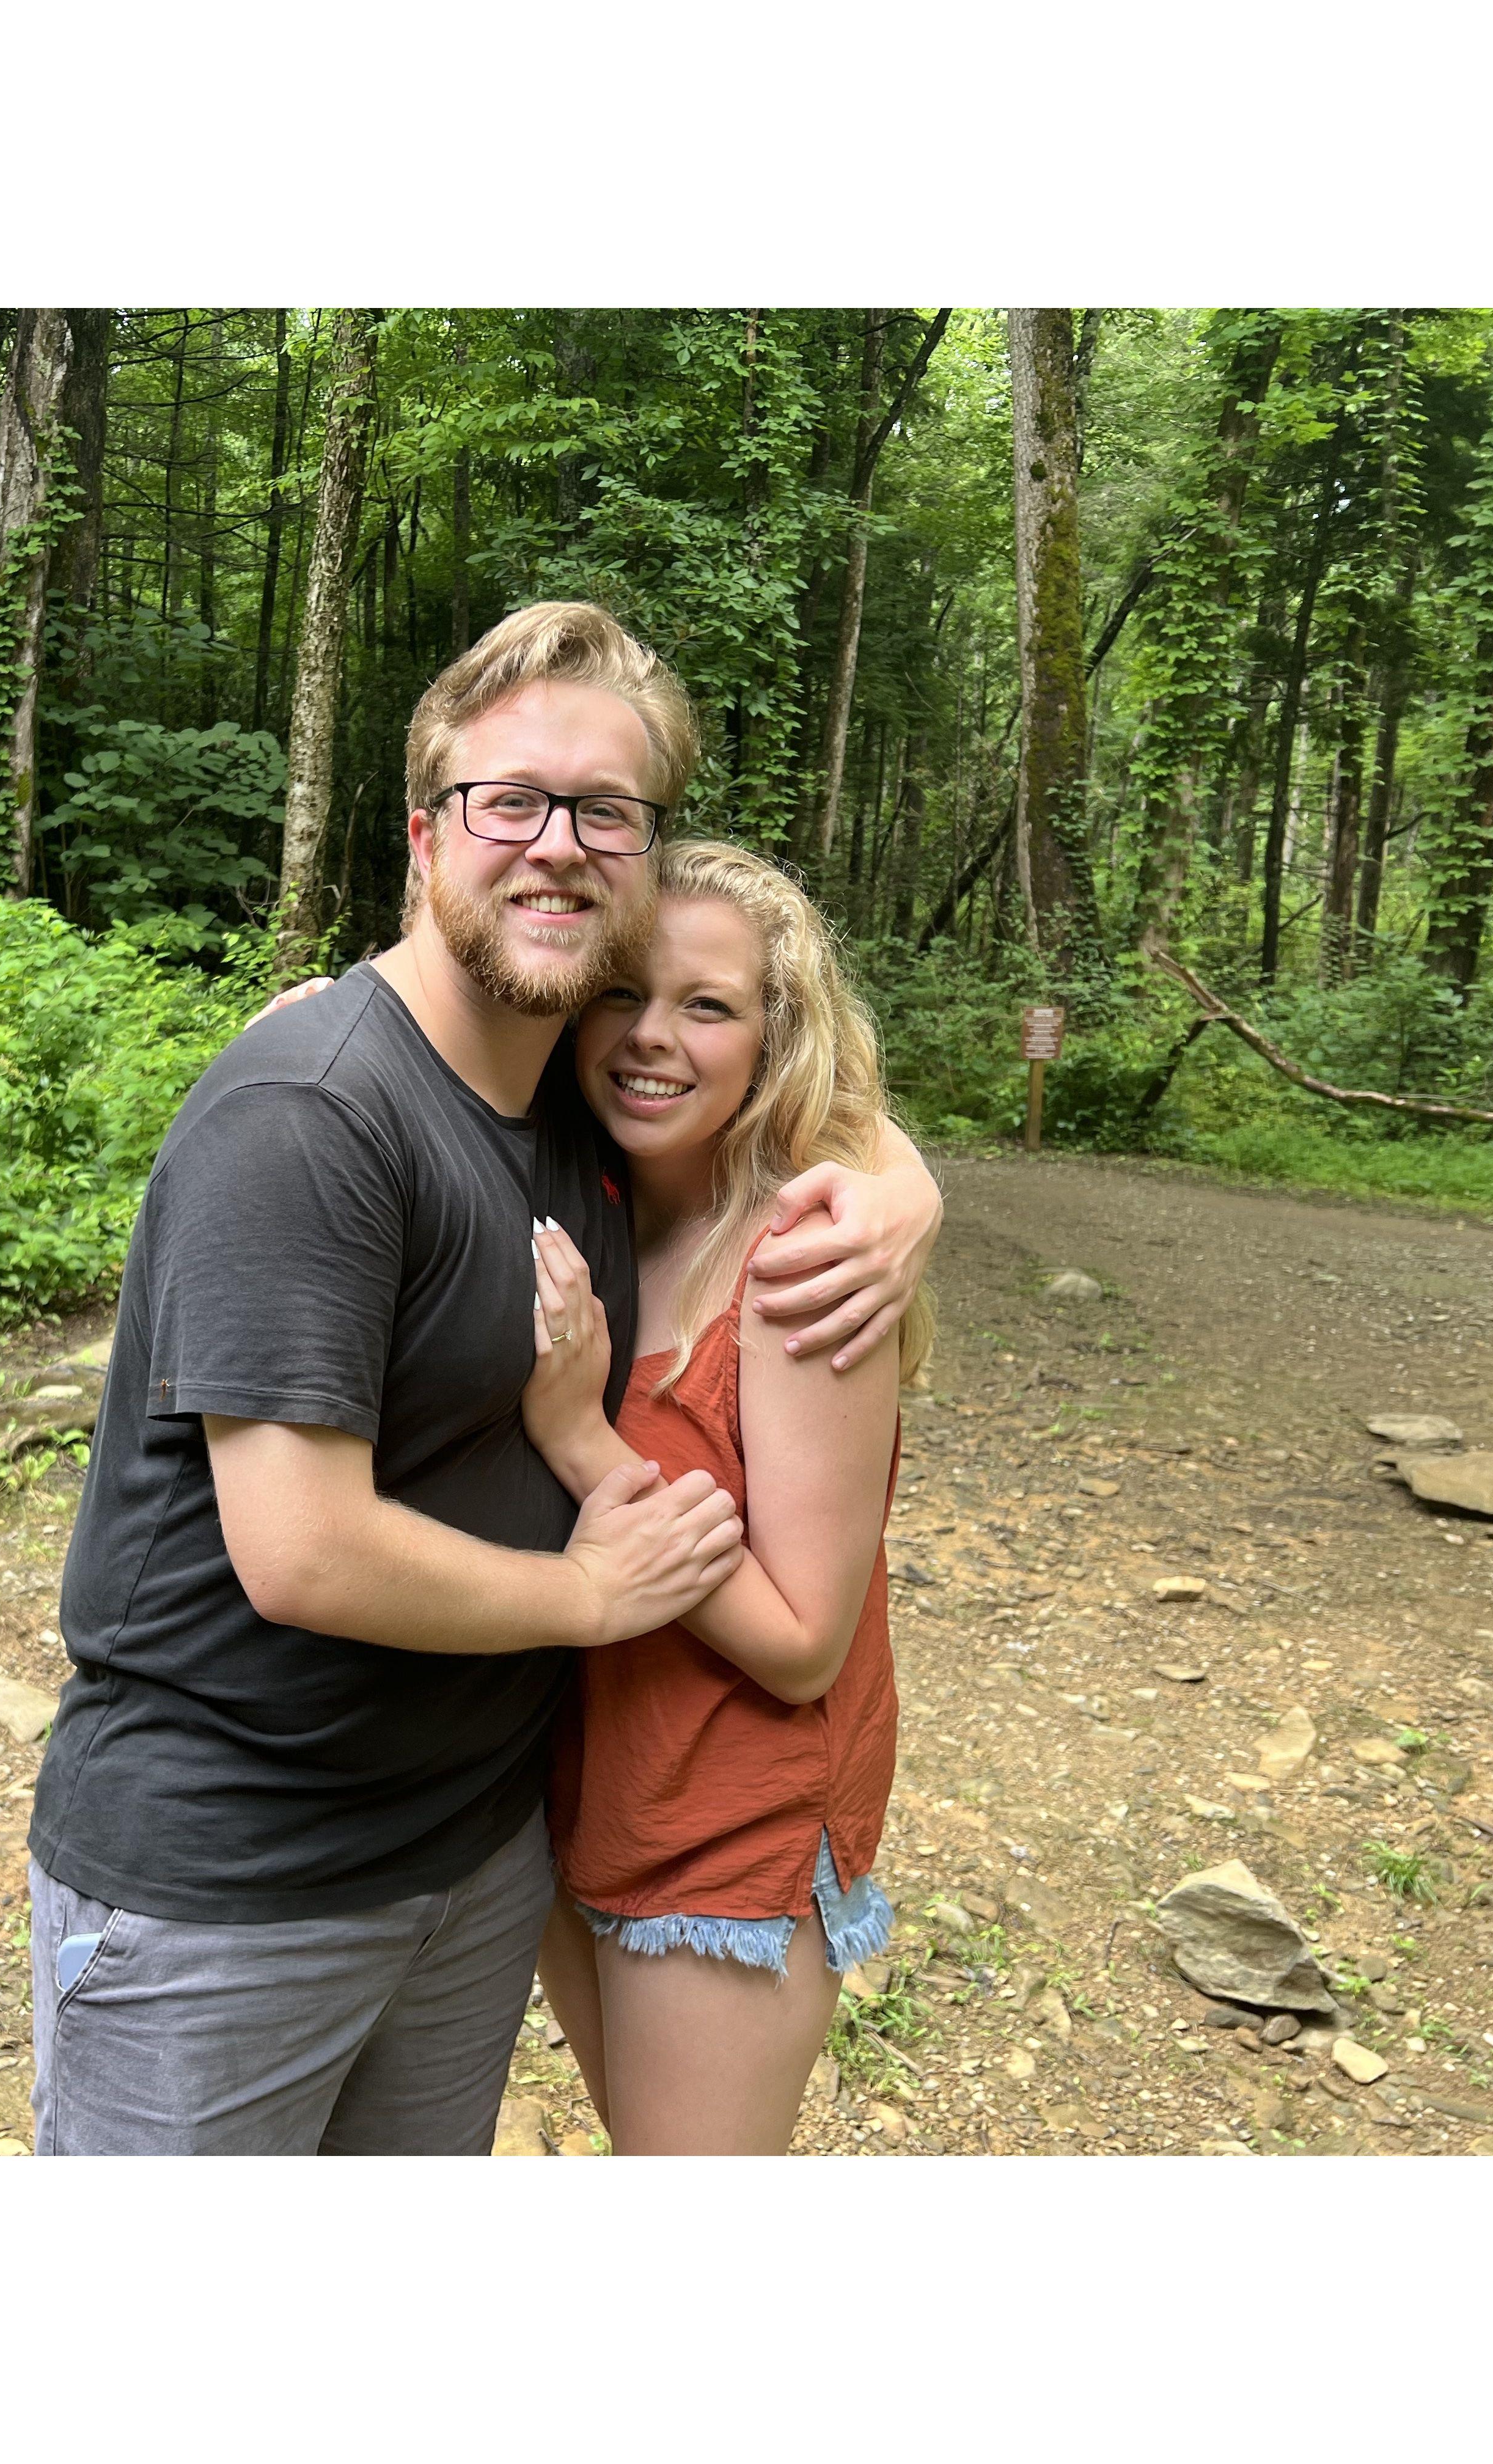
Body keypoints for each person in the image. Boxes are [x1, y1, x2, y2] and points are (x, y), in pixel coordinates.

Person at [26, 603, 940, 2155]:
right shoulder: (314, 1114)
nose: (558, 844)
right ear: (425, 840)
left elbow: (757, 1095)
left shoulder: (574, 1124)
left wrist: (901, 1180)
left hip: (472, 1868)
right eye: (509, 800)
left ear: (646, 858)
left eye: (607, 811)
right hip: (236, 1890)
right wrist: (591, 1594)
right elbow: (302, 1547)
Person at [519, 837, 929, 2154]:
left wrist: (583, 1443)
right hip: (581, 1792)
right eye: (624, 993)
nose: (653, 1039)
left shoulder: (806, 1263)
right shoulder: (589, 1196)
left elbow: (806, 1642)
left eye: (710, 1006)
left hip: (725, 1834)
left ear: (775, 1037)